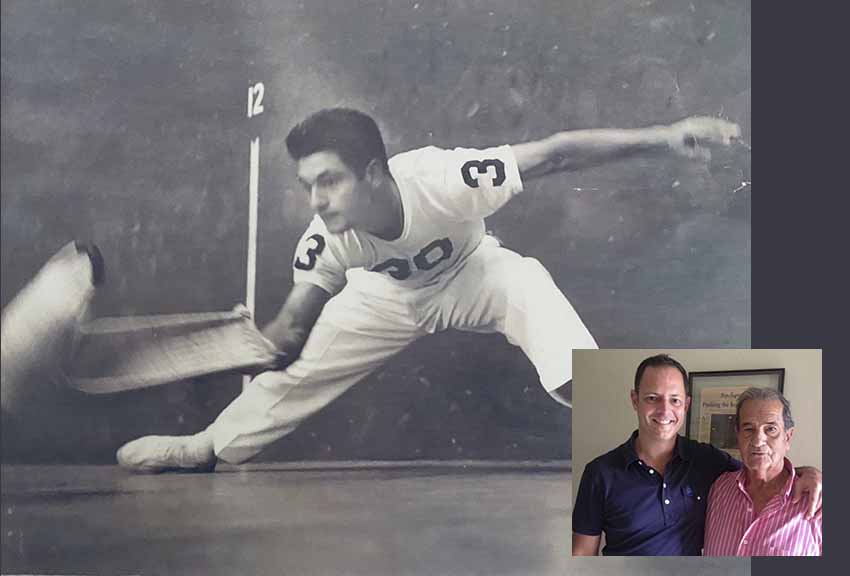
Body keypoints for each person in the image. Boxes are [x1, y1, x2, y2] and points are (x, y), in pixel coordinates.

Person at [117, 109, 742, 473]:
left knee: (528, 286)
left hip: (474, 274)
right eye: (309, 184)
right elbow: (285, 339)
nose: (317, 200)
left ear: (372, 174)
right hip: (384, 300)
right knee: (300, 373)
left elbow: (553, 155)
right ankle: (205, 448)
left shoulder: (443, 178)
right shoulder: (326, 238)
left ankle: (681, 435)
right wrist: (236, 340)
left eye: (329, 181)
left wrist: (665, 136)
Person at [572, 355, 822, 556]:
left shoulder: (707, 461)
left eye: (675, 400)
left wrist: (808, 473)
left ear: (687, 404)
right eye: (652, 398)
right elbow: (582, 554)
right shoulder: (599, 473)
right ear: (635, 400)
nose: (664, 410)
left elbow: (761, 466)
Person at [703, 388, 822, 556]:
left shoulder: (816, 502)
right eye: (748, 429)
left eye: (771, 429)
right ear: (738, 435)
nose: (758, 440)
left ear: (787, 437)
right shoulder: (719, 489)